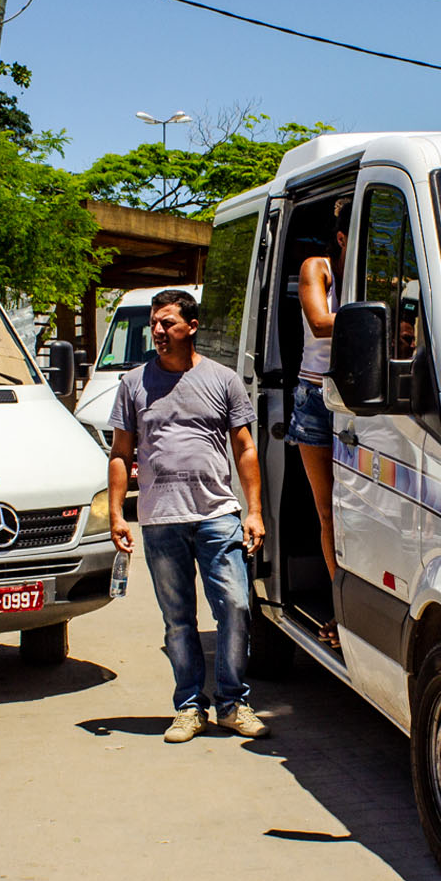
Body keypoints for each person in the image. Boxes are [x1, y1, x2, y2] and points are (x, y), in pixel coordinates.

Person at [107, 290, 269, 743]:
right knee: (178, 620)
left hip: (218, 515)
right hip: (161, 520)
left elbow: (245, 447)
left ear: (191, 326)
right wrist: (117, 514)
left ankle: (233, 702)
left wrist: (253, 511)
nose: (158, 332)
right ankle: (190, 707)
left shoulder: (222, 380)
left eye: (168, 323)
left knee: (235, 607)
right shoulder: (133, 383)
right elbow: (121, 452)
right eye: (155, 324)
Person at [291, 196, 346, 646]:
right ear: (343, 237)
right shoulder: (318, 267)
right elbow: (320, 321)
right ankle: (339, 606)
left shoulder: (379, 272)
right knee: (328, 510)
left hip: (364, 397)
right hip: (317, 397)